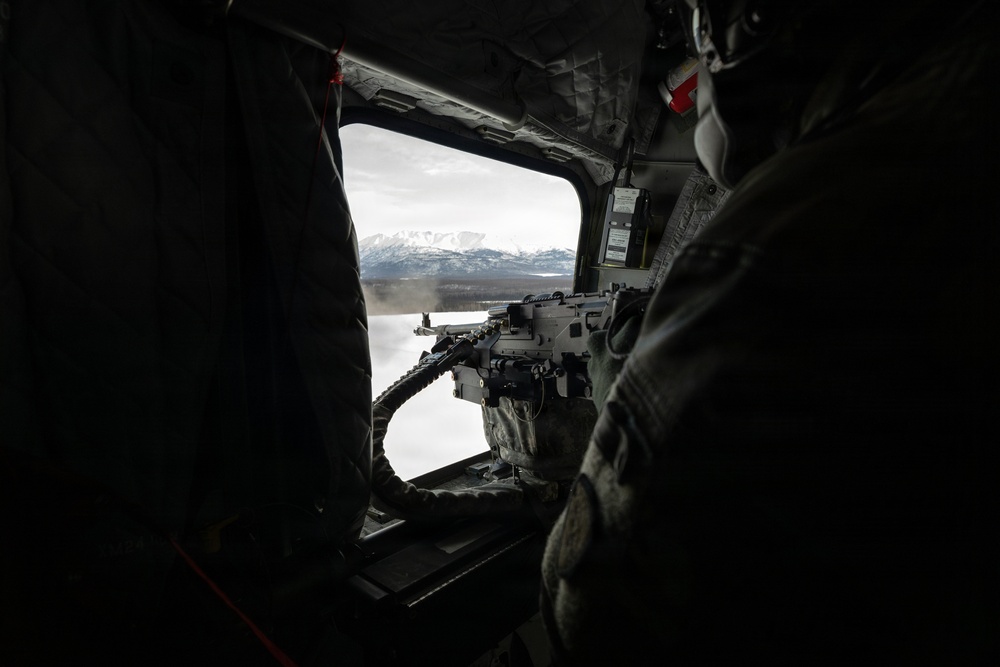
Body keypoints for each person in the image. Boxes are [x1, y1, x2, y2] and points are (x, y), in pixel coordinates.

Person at [541, 0, 999, 662]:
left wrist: (620, 395)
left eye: (704, 26)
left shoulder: (794, 228)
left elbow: (591, 615)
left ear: (753, 19)